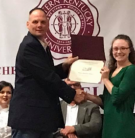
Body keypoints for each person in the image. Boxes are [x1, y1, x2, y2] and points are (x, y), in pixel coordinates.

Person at [8, 8, 85, 138]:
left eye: (43, 22)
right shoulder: (29, 46)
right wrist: (72, 94)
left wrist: (65, 65)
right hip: (29, 118)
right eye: (35, 22)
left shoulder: (40, 44)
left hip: (38, 118)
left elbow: (45, 73)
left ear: (48, 24)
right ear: (28, 24)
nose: (39, 25)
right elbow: (47, 77)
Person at [85, 34, 135, 138]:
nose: (119, 52)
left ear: (130, 50)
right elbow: (106, 101)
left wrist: (105, 79)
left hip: (123, 127)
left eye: (123, 48)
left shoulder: (131, 70)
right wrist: (87, 96)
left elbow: (117, 97)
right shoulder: (111, 72)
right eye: (115, 48)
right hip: (109, 126)